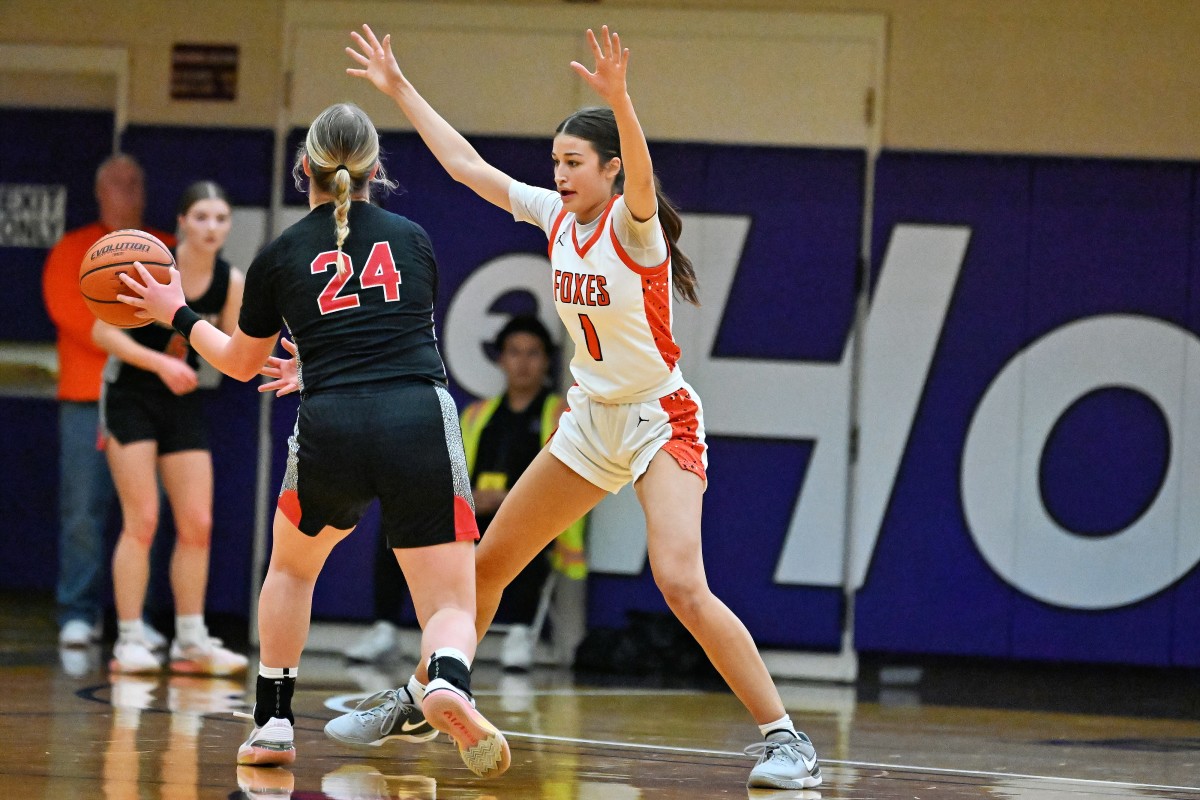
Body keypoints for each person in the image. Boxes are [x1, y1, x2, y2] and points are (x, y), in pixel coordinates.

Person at [333, 24, 824, 790]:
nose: (558, 175)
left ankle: (787, 738)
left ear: (611, 171)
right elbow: (466, 168)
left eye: (573, 163)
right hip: (591, 420)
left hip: (661, 418)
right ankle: (422, 693)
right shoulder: (556, 218)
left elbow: (643, 177)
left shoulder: (638, 232)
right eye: (554, 162)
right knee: (486, 565)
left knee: (681, 583)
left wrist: (622, 101)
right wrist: (400, 90)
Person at [116, 102, 511, 778]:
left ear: (304, 170)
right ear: (375, 170)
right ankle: (446, 678)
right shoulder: (413, 237)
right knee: (448, 602)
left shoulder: (279, 254)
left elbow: (241, 364)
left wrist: (174, 312)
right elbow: (392, 326)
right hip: (415, 415)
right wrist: (327, 357)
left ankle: (272, 721)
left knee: (294, 570)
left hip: (331, 422)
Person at [93, 180, 249, 677]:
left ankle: (190, 640)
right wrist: (159, 364)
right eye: (201, 216)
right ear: (181, 222)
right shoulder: (146, 265)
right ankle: (130, 638)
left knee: (197, 524)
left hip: (182, 398)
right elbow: (101, 330)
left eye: (221, 218)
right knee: (142, 519)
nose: (211, 227)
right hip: (130, 395)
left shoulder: (231, 280)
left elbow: (229, 355)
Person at [42, 153, 173, 650]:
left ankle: (138, 620)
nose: (129, 191)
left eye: (135, 182)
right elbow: (76, 318)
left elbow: (184, 320)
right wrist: (139, 328)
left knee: (148, 513)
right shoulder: (72, 249)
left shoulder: (167, 249)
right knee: (82, 510)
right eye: (118, 184)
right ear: (99, 193)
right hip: (85, 398)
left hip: (148, 401)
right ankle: (78, 611)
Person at [459, 314, 585, 671]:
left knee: (525, 533)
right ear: (500, 359)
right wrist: (470, 498)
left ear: (546, 361)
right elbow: (453, 475)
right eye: (514, 352)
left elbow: (562, 482)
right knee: (404, 529)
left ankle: (518, 631)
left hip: (531, 517)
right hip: (475, 516)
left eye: (533, 353)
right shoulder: (476, 415)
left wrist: (509, 499)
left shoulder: (561, 414)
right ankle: (387, 627)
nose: (523, 362)